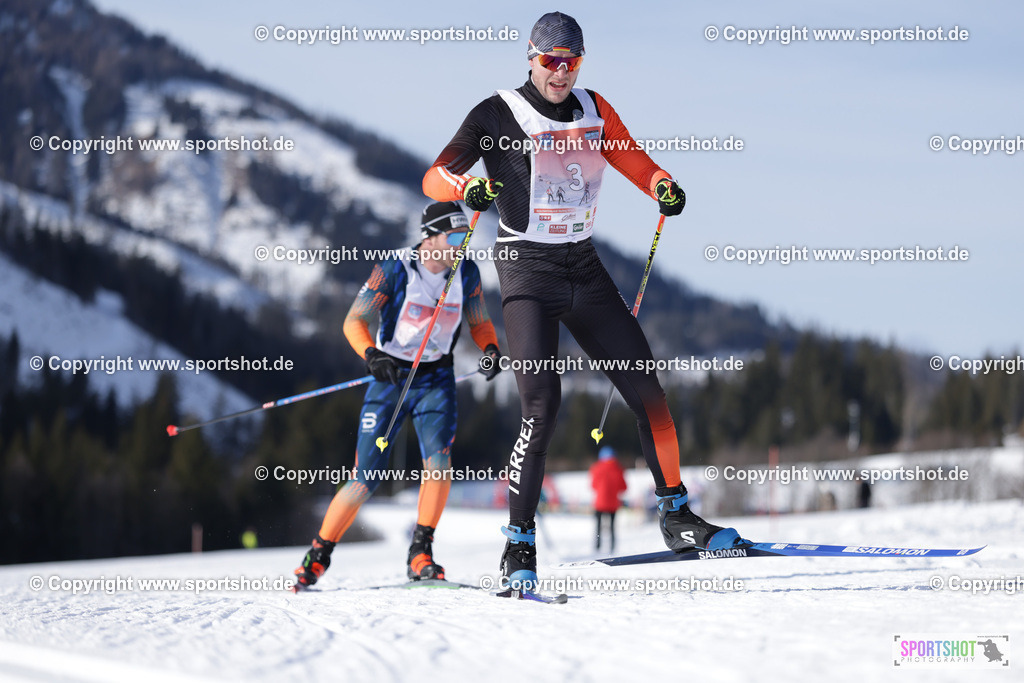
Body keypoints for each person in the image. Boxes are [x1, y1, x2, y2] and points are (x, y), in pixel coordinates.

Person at [423, 11, 747, 590]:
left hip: (584, 266)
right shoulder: (497, 112)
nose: (561, 73)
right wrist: (463, 187)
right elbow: (436, 174)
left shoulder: (595, 108)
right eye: (551, 61)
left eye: (571, 61)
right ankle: (519, 543)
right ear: (530, 57)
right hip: (526, 271)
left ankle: (675, 514)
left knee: (648, 392)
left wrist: (660, 185)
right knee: (542, 404)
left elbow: (630, 156)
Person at [292, 201, 502, 590]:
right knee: (365, 477)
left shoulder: (466, 272)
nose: (460, 245)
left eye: (465, 237)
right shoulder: (395, 268)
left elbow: (480, 322)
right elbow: (354, 320)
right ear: (430, 236)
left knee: (439, 464)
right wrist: (371, 354)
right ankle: (319, 553)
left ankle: (420, 551)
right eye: (453, 237)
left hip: (436, 379)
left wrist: (490, 350)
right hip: (390, 377)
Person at [590, 446, 627, 552]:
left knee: (598, 525)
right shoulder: (618, 468)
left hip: (599, 503)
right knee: (612, 526)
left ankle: (597, 545)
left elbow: (593, 485)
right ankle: (612, 546)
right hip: (613, 503)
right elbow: (623, 487)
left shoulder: (596, 468)